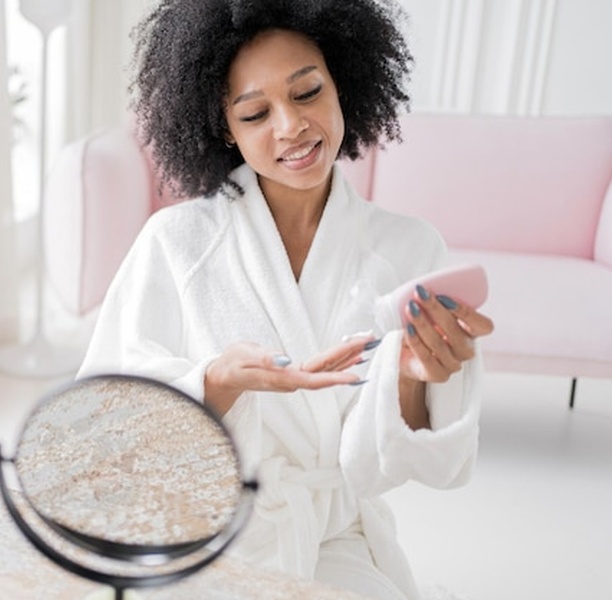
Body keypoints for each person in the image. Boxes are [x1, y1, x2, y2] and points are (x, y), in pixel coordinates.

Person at [77, 0, 494, 598]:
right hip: (208, 530)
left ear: (341, 82)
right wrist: (215, 382)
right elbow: (102, 419)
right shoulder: (176, 241)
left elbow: (412, 463)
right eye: (254, 112)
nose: (290, 126)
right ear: (224, 126)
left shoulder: (409, 247)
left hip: (336, 537)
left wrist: (415, 377)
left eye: (306, 93)